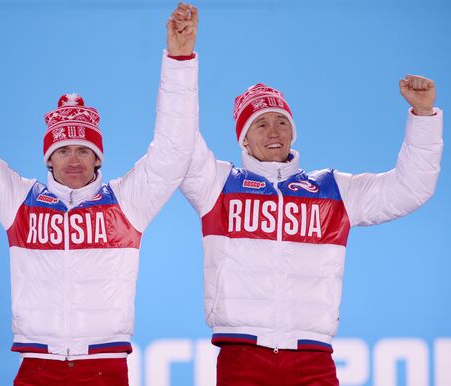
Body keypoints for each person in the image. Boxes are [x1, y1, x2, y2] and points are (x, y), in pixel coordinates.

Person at [0, 3, 198, 385]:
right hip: (37, 367)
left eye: (84, 150)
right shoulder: (19, 202)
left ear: (98, 158)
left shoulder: (126, 203)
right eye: (63, 150)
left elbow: (173, 149)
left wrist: (180, 60)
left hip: (105, 367)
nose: (74, 159)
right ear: (48, 159)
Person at [173, 13, 443, 386]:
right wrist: (180, 60)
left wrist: (424, 116)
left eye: (281, 122)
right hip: (241, 357)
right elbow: (178, 139)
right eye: (261, 124)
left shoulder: (332, 189)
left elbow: (411, 188)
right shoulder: (215, 184)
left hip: (312, 360)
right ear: (244, 140)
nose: (274, 132)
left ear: (293, 132)